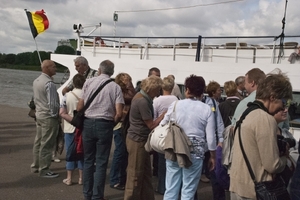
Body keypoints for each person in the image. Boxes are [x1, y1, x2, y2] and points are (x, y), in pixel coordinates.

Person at [229, 72, 293, 199]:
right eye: (284, 101)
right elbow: (273, 165)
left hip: (238, 186)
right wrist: (286, 159)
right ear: (273, 97)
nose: (283, 106)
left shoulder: (246, 113)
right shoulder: (266, 119)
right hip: (255, 191)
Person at [162, 75, 217, 200]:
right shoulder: (206, 109)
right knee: (188, 191)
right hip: (195, 152)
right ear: (202, 91)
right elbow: (211, 137)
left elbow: (163, 125)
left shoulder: (175, 105)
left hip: (175, 148)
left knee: (171, 189)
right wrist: (213, 156)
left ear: (187, 89)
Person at [77, 60, 124, 200]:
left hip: (88, 123)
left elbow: (80, 107)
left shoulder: (89, 82)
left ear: (99, 70)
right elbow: (119, 113)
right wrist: (112, 123)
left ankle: (87, 193)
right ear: (112, 71)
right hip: (105, 124)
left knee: (88, 160)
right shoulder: (115, 87)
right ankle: (97, 195)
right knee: (102, 162)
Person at [124, 75, 165, 200]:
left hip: (138, 139)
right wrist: (162, 116)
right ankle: (131, 197)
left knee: (146, 174)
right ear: (152, 89)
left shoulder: (140, 97)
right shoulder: (142, 101)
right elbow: (151, 124)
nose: (159, 92)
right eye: (158, 89)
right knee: (135, 175)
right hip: (138, 140)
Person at [30, 60, 60, 178]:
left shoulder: (36, 81)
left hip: (39, 115)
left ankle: (36, 165)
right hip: (48, 116)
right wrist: (55, 116)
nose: (55, 69)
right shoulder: (49, 83)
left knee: (38, 141)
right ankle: (44, 169)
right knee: (47, 144)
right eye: (54, 67)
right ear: (47, 68)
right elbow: (53, 103)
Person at [109, 72, 136, 190]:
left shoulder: (123, 91)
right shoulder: (120, 91)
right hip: (120, 124)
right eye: (127, 80)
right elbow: (131, 97)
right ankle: (115, 179)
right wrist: (129, 84)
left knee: (124, 152)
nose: (129, 81)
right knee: (120, 152)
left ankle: (121, 178)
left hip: (125, 124)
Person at [153, 76, 178, 195]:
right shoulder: (176, 100)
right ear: (173, 87)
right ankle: (172, 187)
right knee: (172, 161)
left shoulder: (156, 100)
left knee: (161, 162)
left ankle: (162, 187)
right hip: (173, 132)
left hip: (161, 131)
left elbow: (154, 117)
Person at [59, 74, 86, 186]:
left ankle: (69, 178)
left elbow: (61, 113)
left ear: (73, 83)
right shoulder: (87, 95)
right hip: (83, 128)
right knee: (81, 153)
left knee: (70, 153)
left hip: (69, 128)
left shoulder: (66, 96)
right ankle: (81, 178)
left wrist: (72, 120)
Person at [204, 81, 225, 200]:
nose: (220, 92)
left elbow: (219, 122)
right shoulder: (211, 103)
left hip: (207, 144)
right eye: (219, 90)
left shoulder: (212, 103)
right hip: (203, 144)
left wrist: (220, 139)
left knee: (214, 174)